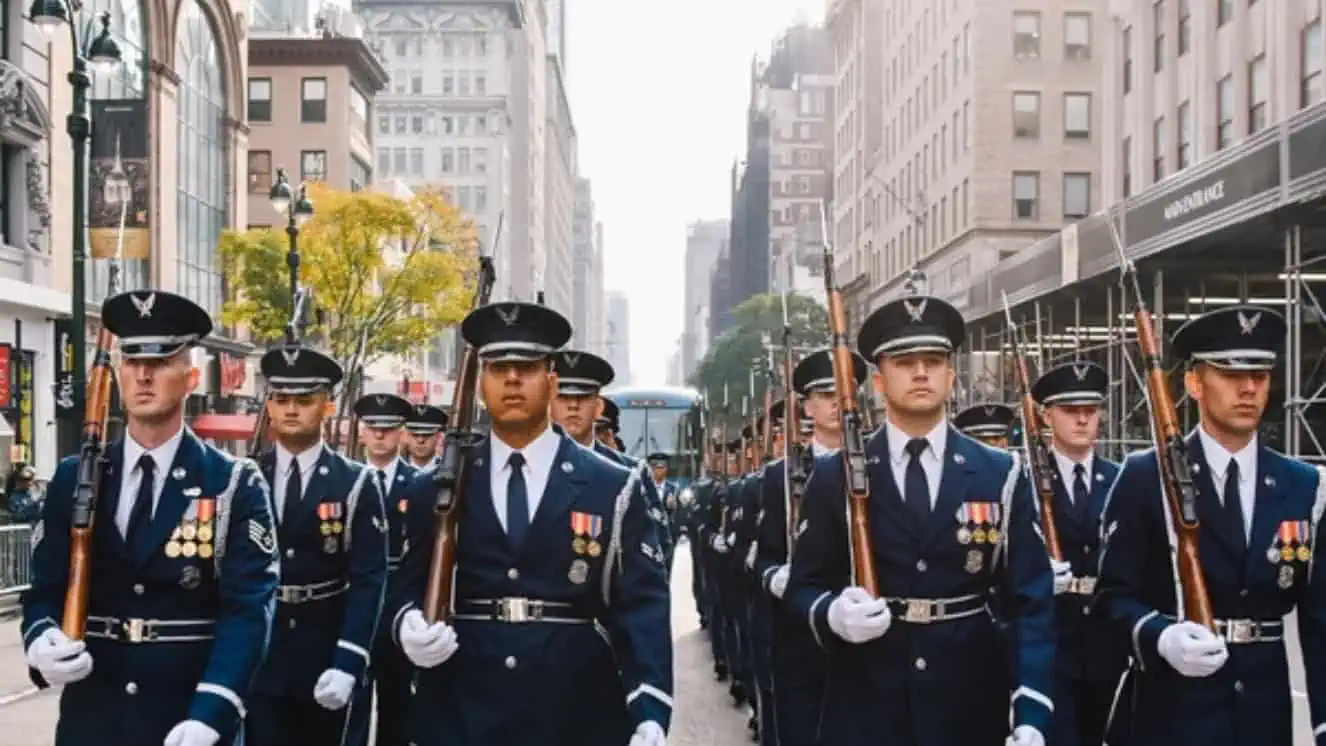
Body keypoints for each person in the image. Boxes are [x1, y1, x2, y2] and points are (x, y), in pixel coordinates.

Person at [387, 301, 673, 746]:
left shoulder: (612, 485)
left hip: (575, 709)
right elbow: (405, 582)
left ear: (551, 381)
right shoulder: (440, 485)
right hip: (462, 708)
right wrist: (406, 623)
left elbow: (640, 606)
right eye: (499, 367)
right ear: (481, 382)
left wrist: (650, 708)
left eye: (527, 366)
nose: (513, 379)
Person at [784, 294, 1055, 746]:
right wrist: (832, 614)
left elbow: (1030, 599)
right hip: (867, 701)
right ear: (877, 380)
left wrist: (1030, 707)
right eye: (905, 362)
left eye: (934, 360)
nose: (922, 372)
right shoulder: (835, 475)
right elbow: (802, 586)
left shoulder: (999, 472)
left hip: (968, 701)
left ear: (952, 374)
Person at [21, 290, 279, 746]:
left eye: (160, 362)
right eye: (133, 360)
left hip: (187, 719)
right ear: (119, 373)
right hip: (93, 722)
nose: (143, 374)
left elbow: (248, 612)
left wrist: (213, 711)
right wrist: (40, 640)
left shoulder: (232, 482)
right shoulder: (74, 477)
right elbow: (44, 589)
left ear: (191, 377)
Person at [1096, 305, 1326, 746]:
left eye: (1260, 375)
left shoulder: (1303, 485)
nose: (1249, 388)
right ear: (1194, 383)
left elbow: (1320, 622)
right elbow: (1112, 598)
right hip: (1175, 715)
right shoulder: (1147, 476)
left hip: (1264, 718)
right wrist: (1160, 637)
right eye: (1230, 374)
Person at [247, 345, 388, 746]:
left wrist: (350, 659)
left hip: (325, 651)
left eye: (304, 400)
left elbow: (368, 579)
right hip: (263, 655)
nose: (291, 409)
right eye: (281, 399)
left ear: (327, 406)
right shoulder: (247, 475)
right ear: (269, 406)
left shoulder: (355, 482)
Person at [753, 347, 866, 746]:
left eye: (845, 391)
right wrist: (775, 576)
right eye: (825, 394)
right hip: (800, 633)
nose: (837, 403)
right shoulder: (778, 477)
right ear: (807, 405)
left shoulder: (881, 465)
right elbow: (760, 554)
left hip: (867, 633)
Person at [1028, 360, 1123, 746]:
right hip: (1053, 641)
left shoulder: (1122, 479)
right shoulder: (1024, 481)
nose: (1083, 420)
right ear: (1047, 415)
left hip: (1109, 642)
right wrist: (1038, 574)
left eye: (1091, 411)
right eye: (1070, 411)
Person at [345, 392, 419, 746]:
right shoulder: (346, 482)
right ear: (361, 432)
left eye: (388, 429)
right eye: (373, 428)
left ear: (401, 434)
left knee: (398, 706)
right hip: (352, 607)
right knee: (349, 703)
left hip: (397, 609)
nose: (379, 436)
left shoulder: (419, 485)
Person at [403, 404, 448, 470]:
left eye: (427, 434)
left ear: (438, 437)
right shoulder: (391, 468)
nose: (420, 440)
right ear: (406, 435)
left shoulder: (448, 469)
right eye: (414, 434)